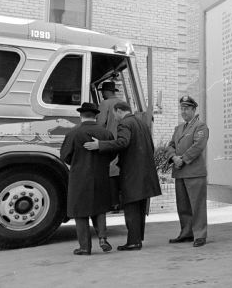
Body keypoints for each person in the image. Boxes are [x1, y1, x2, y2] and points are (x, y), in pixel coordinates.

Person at [84, 101, 161, 251]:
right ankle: (137, 239)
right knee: (139, 208)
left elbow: (123, 142)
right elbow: (151, 147)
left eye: (114, 114)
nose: (115, 118)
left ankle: (133, 242)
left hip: (132, 174)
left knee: (131, 207)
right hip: (145, 173)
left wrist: (100, 145)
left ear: (119, 111)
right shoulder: (141, 123)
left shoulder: (125, 123)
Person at [60, 102, 115, 255]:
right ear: (96, 115)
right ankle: (103, 238)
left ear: (81, 115)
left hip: (79, 177)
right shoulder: (105, 133)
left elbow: (65, 156)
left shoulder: (73, 133)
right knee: (100, 209)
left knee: (80, 211)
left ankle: (85, 247)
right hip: (101, 176)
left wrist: (78, 162)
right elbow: (113, 152)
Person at [166, 95, 209, 247]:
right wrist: (173, 157)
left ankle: (200, 235)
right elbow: (170, 145)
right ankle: (186, 233)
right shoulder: (178, 128)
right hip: (180, 172)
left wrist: (182, 159)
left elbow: (198, 146)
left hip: (194, 172)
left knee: (197, 205)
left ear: (193, 109)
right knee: (183, 206)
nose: (183, 111)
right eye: (182, 108)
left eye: (186, 108)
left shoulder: (200, 126)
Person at [96, 81, 123, 209]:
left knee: (111, 171)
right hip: (123, 141)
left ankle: (113, 203)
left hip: (109, 142)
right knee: (120, 169)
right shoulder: (123, 104)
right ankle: (121, 201)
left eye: (102, 92)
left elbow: (100, 123)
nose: (101, 94)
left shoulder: (105, 103)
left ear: (107, 92)